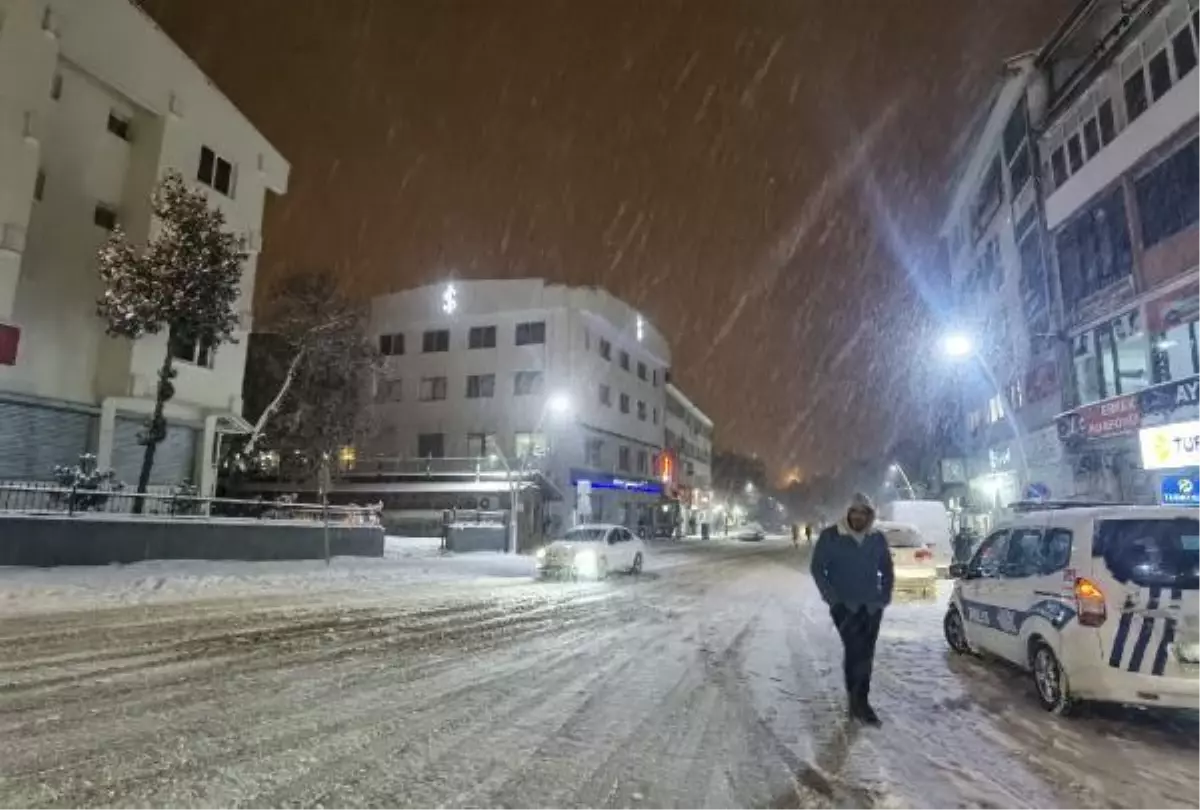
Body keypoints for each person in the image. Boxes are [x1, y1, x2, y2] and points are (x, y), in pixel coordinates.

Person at [810, 493, 894, 726]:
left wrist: (883, 597)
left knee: (866, 653)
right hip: (845, 607)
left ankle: (859, 699)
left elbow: (887, 569)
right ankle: (859, 703)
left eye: (863, 512)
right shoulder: (831, 536)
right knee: (855, 649)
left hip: (871, 607)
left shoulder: (876, 538)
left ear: (869, 514)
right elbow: (818, 569)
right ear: (847, 513)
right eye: (854, 511)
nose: (858, 516)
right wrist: (833, 601)